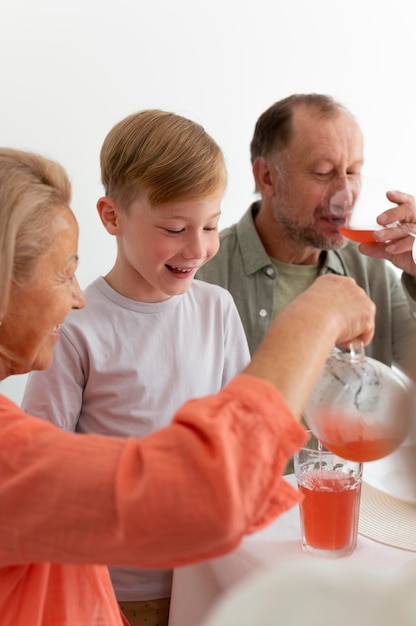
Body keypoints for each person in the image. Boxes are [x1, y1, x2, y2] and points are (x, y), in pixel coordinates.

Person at [0, 147, 376, 626]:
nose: (77, 297)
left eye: (209, 226)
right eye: (62, 272)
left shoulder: (213, 308)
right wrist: (313, 318)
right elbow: (208, 488)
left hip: (198, 574)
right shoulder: (11, 450)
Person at [21, 110, 250, 625]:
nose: (197, 248)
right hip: (111, 588)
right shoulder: (76, 324)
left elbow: (242, 437)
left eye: (211, 226)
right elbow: (41, 460)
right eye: (174, 228)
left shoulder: (217, 310)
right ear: (112, 217)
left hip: (212, 573)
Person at [196, 93, 416, 384]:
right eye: (323, 173)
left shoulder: (371, 269)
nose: (347, 195)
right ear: (267, 177)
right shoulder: (202, 272)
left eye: (353, 172)